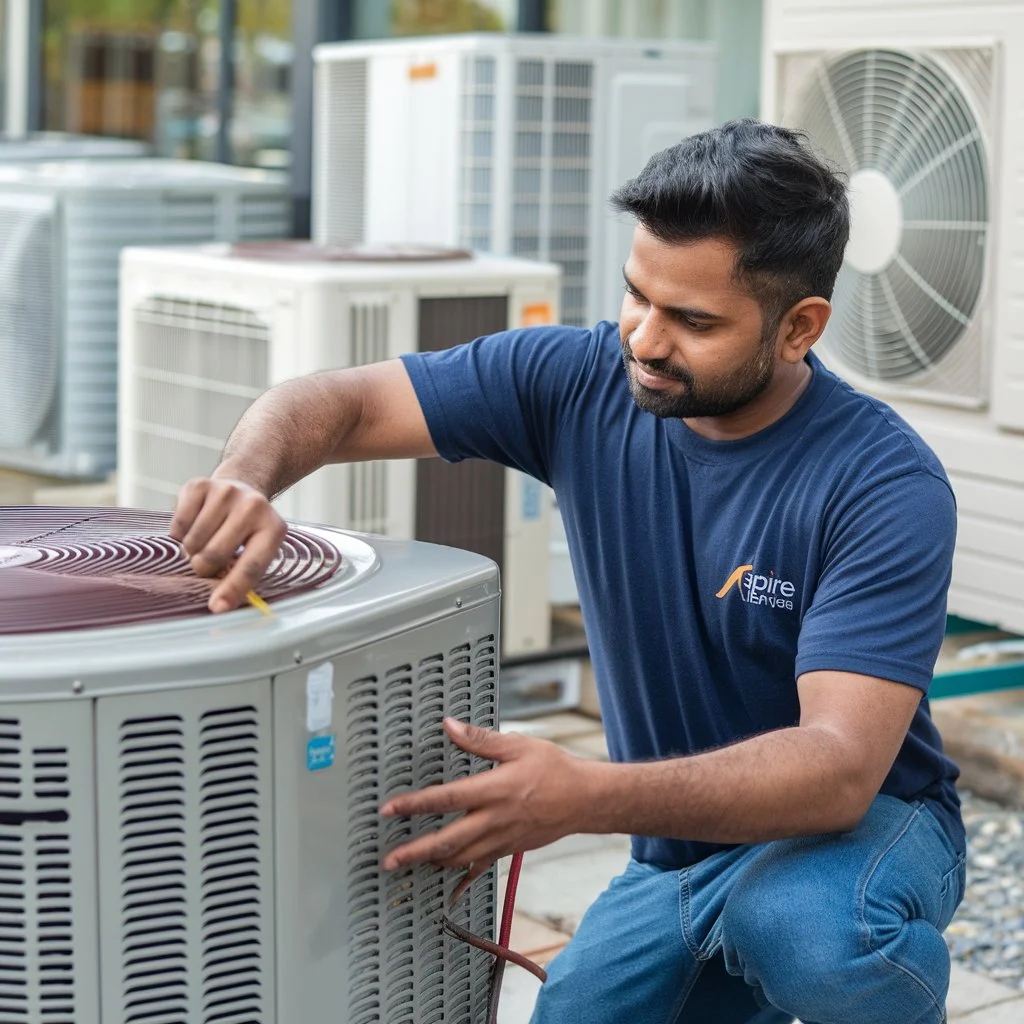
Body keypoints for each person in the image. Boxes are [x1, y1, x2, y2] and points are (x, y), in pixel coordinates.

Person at [170, 120, 965, 1024]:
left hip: (863, 833)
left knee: (806, 930)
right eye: (637, 296)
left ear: (800, 328)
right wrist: (247, 476)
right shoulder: (577, 382)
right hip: (678, 852)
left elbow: (836, 769)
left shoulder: (880, 483)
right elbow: (336, 403)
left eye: (693, 320)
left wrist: (584, 794)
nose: (646, 338)